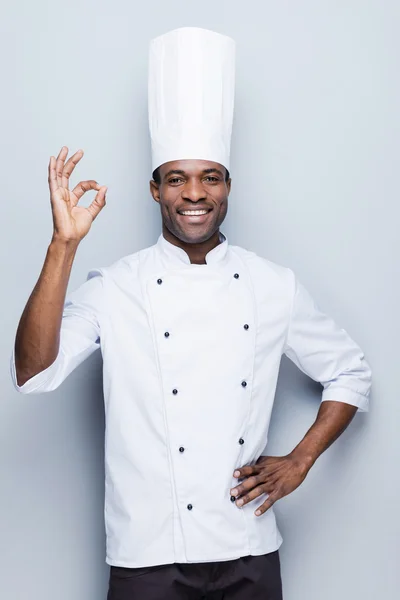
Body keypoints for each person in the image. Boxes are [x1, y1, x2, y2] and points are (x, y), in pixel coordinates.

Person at [11, 27, 372, 600]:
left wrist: (300, 461)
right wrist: (63, 245)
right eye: (177, 178)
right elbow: (32, 373)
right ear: (155, 190)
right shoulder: (116, 288)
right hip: (146, 556)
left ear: (229, 185)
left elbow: (351, 372)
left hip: (251, 552)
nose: (195, 194)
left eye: (209, 177)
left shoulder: (271, 284)